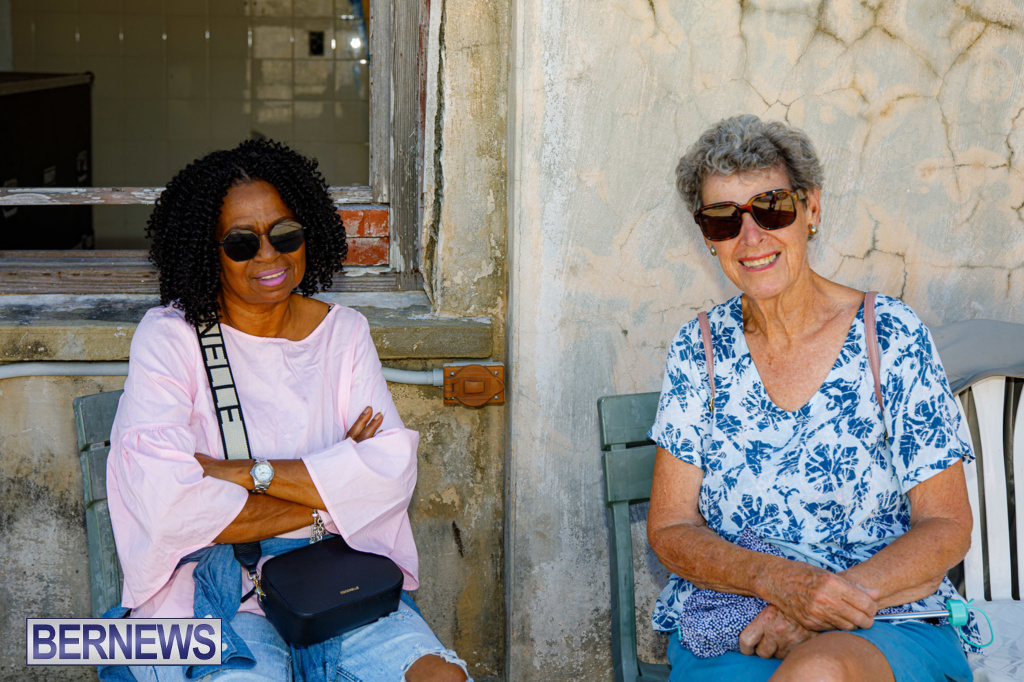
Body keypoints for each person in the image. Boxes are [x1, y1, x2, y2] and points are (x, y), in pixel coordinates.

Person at [105, 139, 470, 682]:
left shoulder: (343, 333)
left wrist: (241, 474)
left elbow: (391, 475)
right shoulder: (171, 338)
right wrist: (335, 490)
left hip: (330, 577)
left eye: (285, 235)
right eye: (241, 244)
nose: (269, 256)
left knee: (443, 678)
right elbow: (168, 506)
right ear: (208, 251)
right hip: (212, 584)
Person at [646, 115, 976, 682]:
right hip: (738, 620)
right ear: (708, 237)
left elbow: (946, 523)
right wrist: (779, 584)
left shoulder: (889, 335)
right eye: (725, 219)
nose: (752, 237)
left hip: (885, 612)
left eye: (772, 208)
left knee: (819, 671)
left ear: (811, 210)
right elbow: (671, 528)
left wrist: (824, 605)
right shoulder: (697, 350)